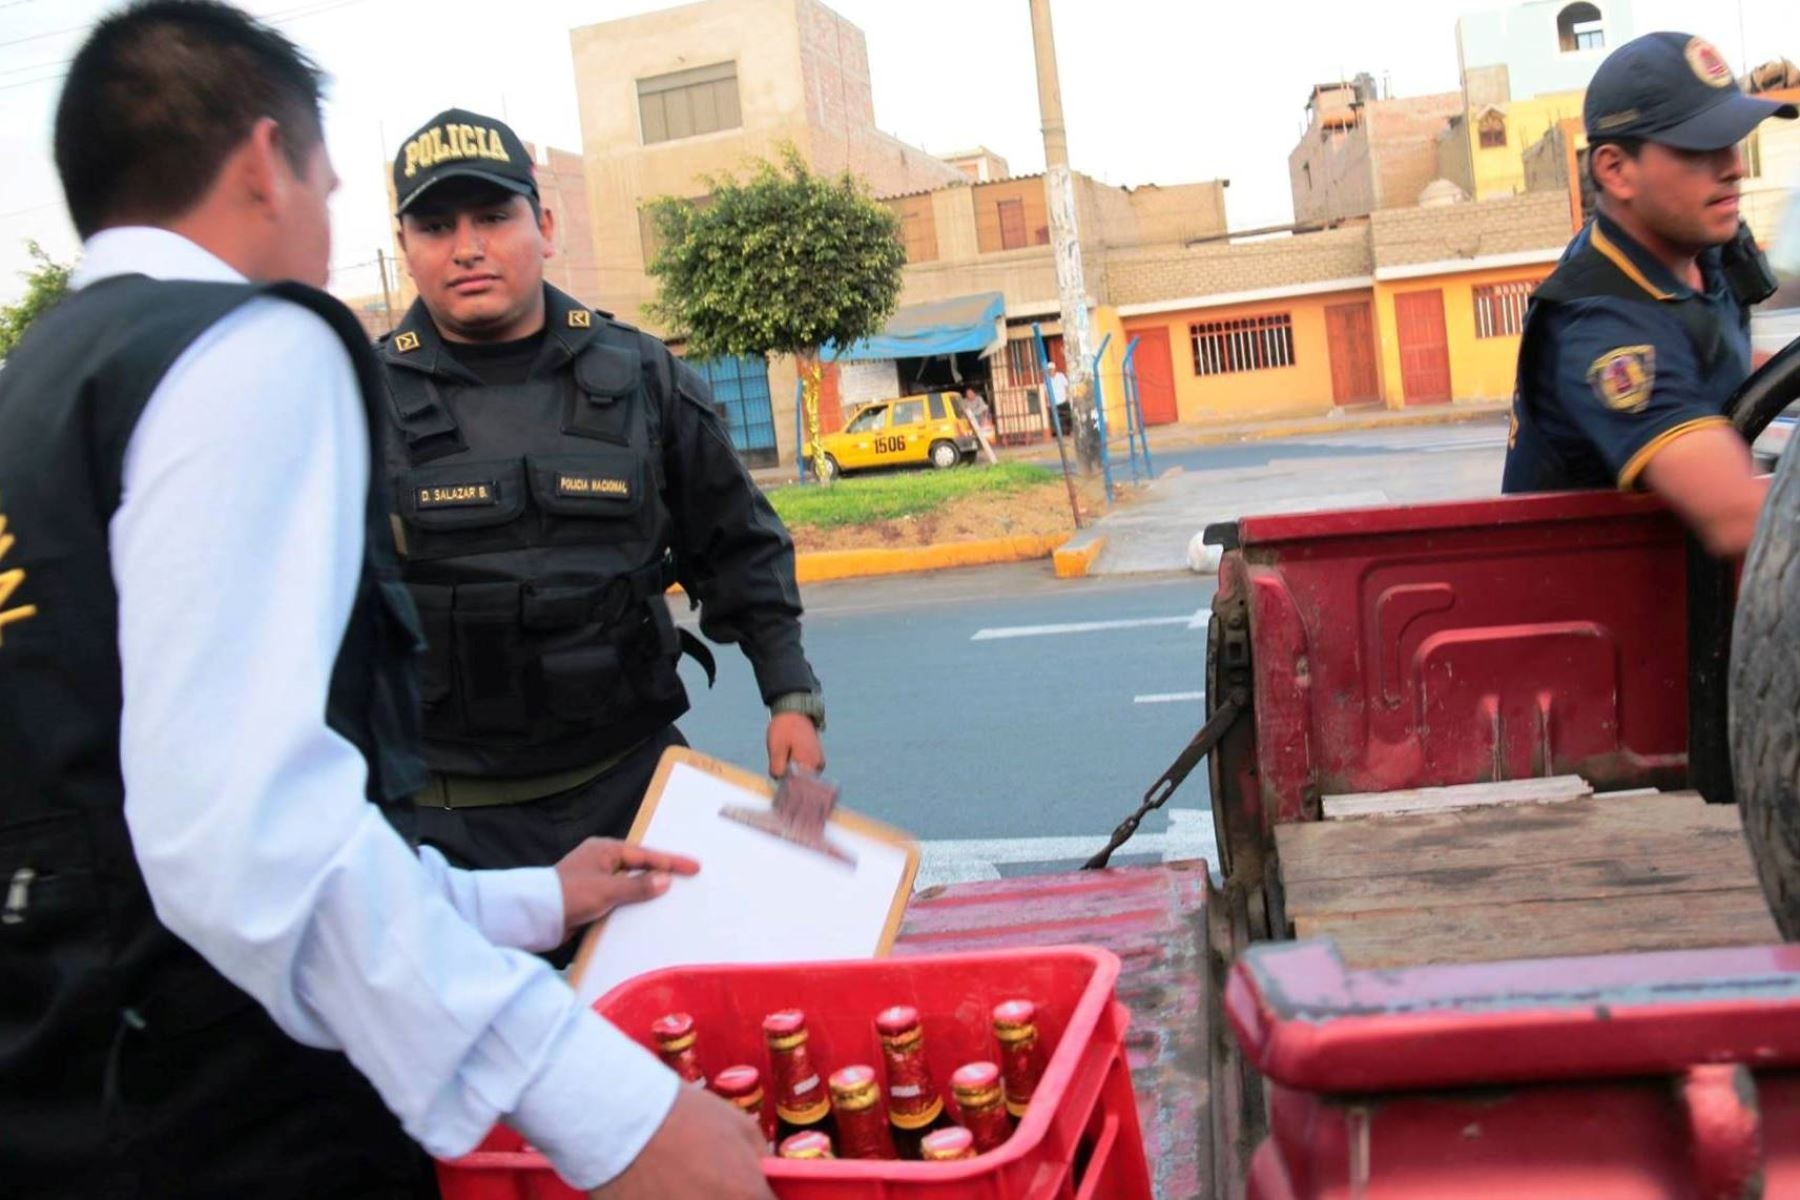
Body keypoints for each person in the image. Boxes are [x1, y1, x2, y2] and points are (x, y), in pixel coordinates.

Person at [0, 4, 772, 1198]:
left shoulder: (37, 390)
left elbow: (138, 797)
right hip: (224, 1104)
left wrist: (523, 900)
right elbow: (252, 841)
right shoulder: (245, 350)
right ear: (268, 162)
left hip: (66, 1076)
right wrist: (608, 1112)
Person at [378, 108, 825, 882]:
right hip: (442, 825)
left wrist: (790, 694)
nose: (468, 248)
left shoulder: (644, 375)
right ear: (405, 248)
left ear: (544, 224)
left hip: (633, 792)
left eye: (492, 216)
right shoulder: (354, 397)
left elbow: (736, 545)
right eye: (436, 227)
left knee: (676, 1002)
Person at [1502, 31, 1796, 557]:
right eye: (1699, 148)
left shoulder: (1699, 238)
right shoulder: (1599, 323)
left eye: (1732, 141)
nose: (1734, 167)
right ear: (1616, 171)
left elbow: (1721, 353)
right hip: (1596, 616)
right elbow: (1739, 519)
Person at [962, 384, 999, 464]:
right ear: (966, 395)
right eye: (968, 394)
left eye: (971, 393)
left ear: (974, 393)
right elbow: (964, 411)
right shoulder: (964, 401)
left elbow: (984, 408)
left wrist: (980, 415)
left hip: (980, 418)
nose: (970, 395)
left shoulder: (979, 399)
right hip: (970, 420)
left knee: (986, 411)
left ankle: (988, 442)